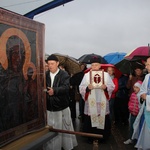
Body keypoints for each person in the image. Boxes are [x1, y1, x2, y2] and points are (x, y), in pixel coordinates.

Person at [43, 54, 77, 150]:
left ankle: (65, 146)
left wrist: (55, 90)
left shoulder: (64, 74)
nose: (50, 66)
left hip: (60, 106)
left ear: (57, 63)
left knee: (63, 129)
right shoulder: (45, 74)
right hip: (49, 107)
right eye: (48, 64)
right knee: (51, 129)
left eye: (52, 64)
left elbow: (66, 88)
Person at [79, 57, 115, 143]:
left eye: (96, 65)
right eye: (92, 65)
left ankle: (103, 137)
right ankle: (90, 137)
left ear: (100, 65)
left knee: (102, 117)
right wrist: (87, 88)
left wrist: (106, 88)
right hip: (91, 101)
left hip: (102, 100)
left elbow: (112, 86)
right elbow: (81, 87)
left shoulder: (106, 75)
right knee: (91, 117)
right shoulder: (87, 75)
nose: (94, 66)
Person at [132, 57, 150, 150]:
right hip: (146, 107)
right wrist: (142, 95)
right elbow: (142, 89)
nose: (146, 67)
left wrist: (147, 97)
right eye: (146, 64)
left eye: (148, 65)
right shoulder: (147, 76)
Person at [124, 80, 142, 145]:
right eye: (134, 87)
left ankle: (137, 140)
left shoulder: (141, 96)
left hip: (138, 114)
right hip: (132, 113)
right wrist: (129, 107)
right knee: (131, 126)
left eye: (137, 87)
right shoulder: (133, 94)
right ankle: (131, 138)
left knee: (137, 127)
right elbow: (130, 101)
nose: (135, 89)